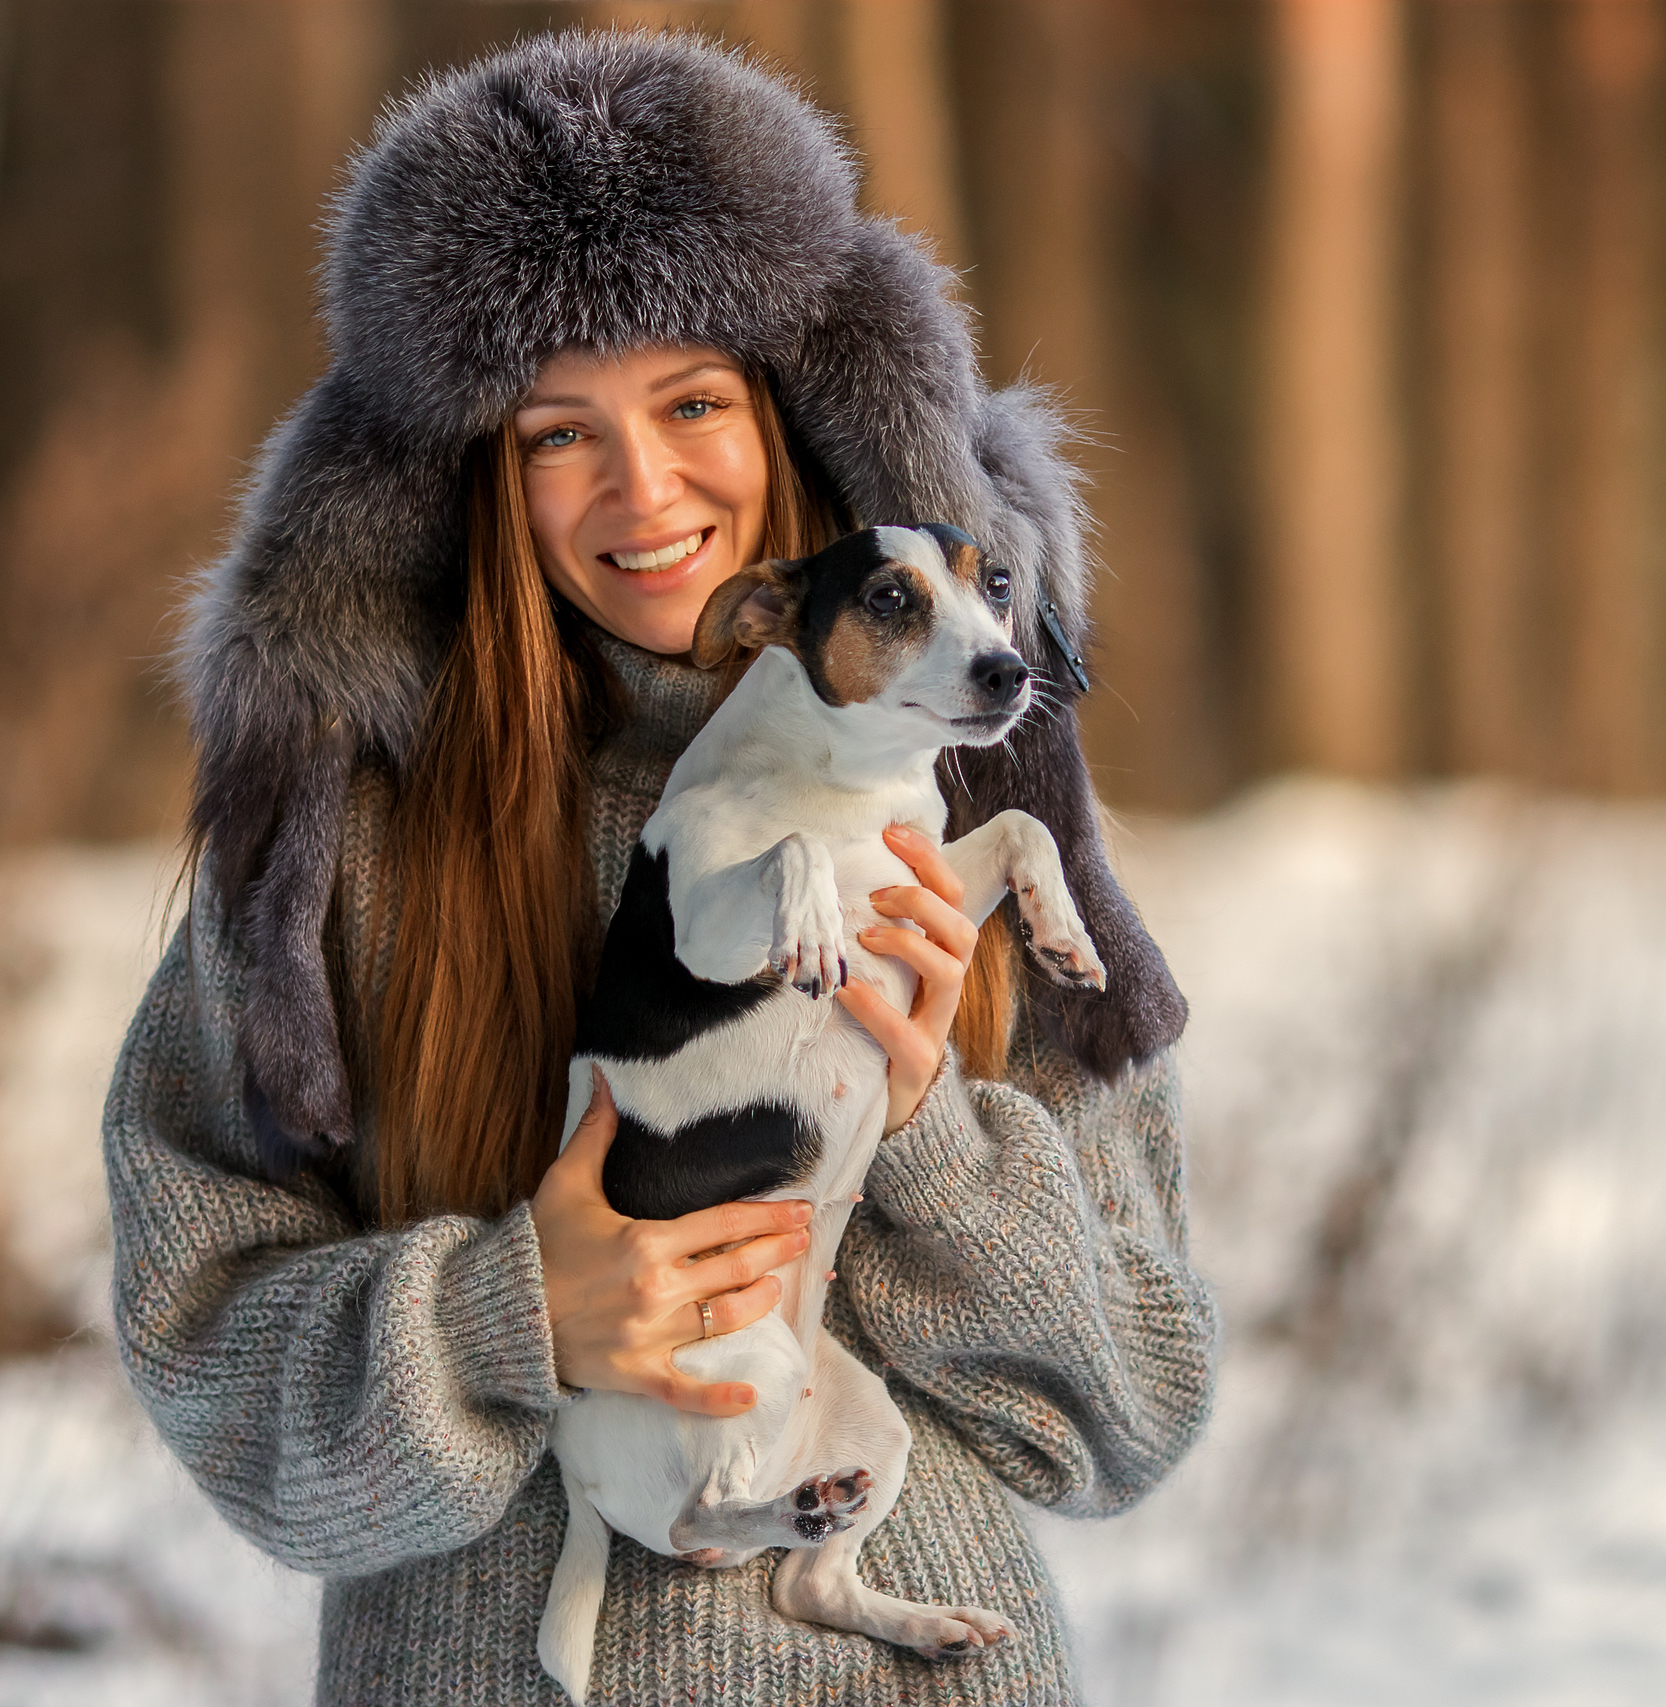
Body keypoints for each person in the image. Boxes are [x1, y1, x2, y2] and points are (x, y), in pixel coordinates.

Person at [106, 29, 1216, 1707]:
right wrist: (504, 1318)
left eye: (694, 401)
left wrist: (915, 1135)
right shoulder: (352, 839)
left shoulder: (970, 813)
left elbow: (1130, 1403)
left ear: (799, 411)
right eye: (560, 432)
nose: (643, 487)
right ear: (470, 469)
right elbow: (201, 1334)